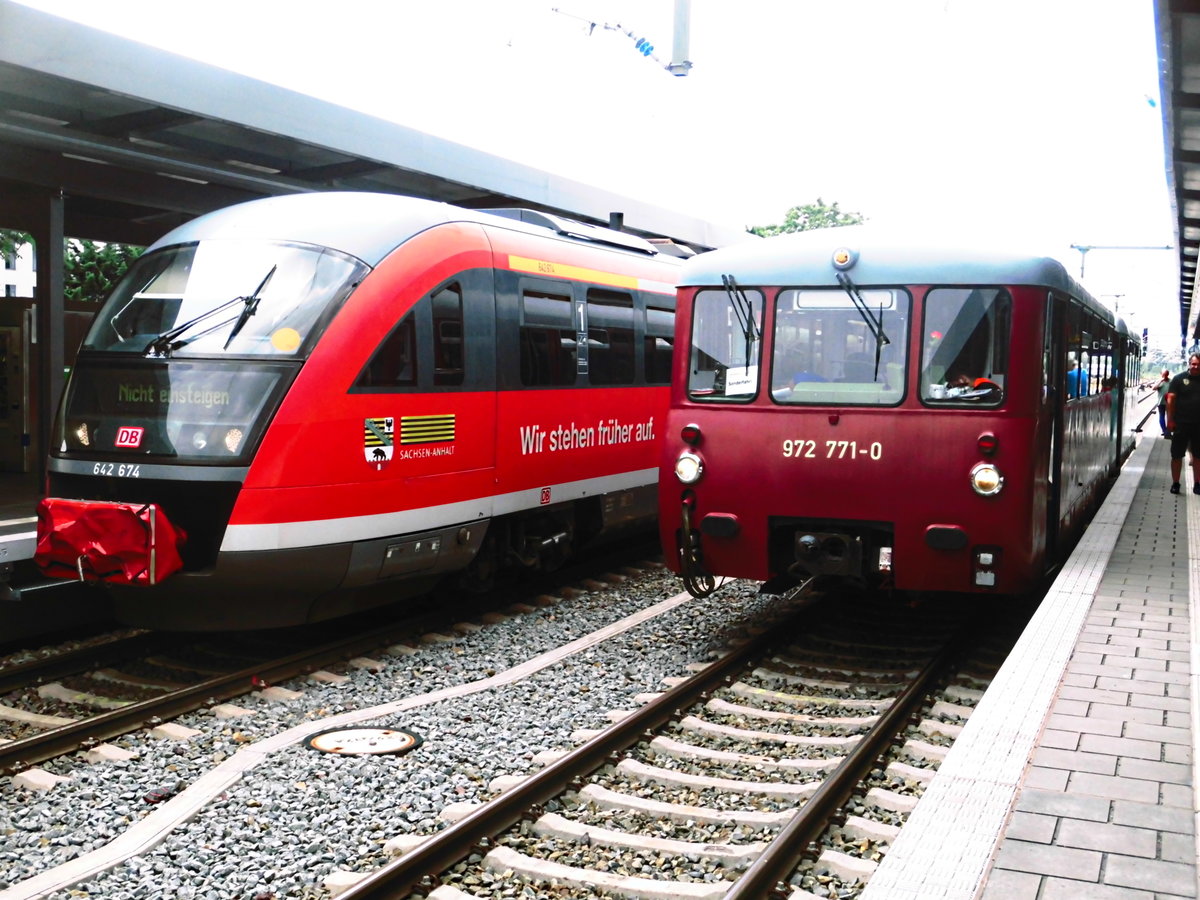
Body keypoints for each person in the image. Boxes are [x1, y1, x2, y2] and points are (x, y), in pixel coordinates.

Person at [1165, 354, 1200, 494]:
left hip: (1198, 425)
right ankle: (1175, 483)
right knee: (1177, 455)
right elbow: (1170, 400)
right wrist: (1170, 420)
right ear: (1189, 364)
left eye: (1198, 364)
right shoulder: (1178, 379)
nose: (1196, 367)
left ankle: (1197, 483)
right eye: (1194, 364)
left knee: (1198, 456)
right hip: (1181, 424)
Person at [1156, 368, 1172, 437]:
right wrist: (1160, 381)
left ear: (1168, 374)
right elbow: (1153, 388)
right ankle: (1165, 431)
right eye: (1164, 374)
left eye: (1166, 374)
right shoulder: (1160, 382)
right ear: (1161, 375)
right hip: (1161, 403)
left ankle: (1167, 431)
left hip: (1169, 403)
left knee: (1169, 417)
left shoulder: (1171, 381)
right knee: (1162, 417)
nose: (1165, 375)